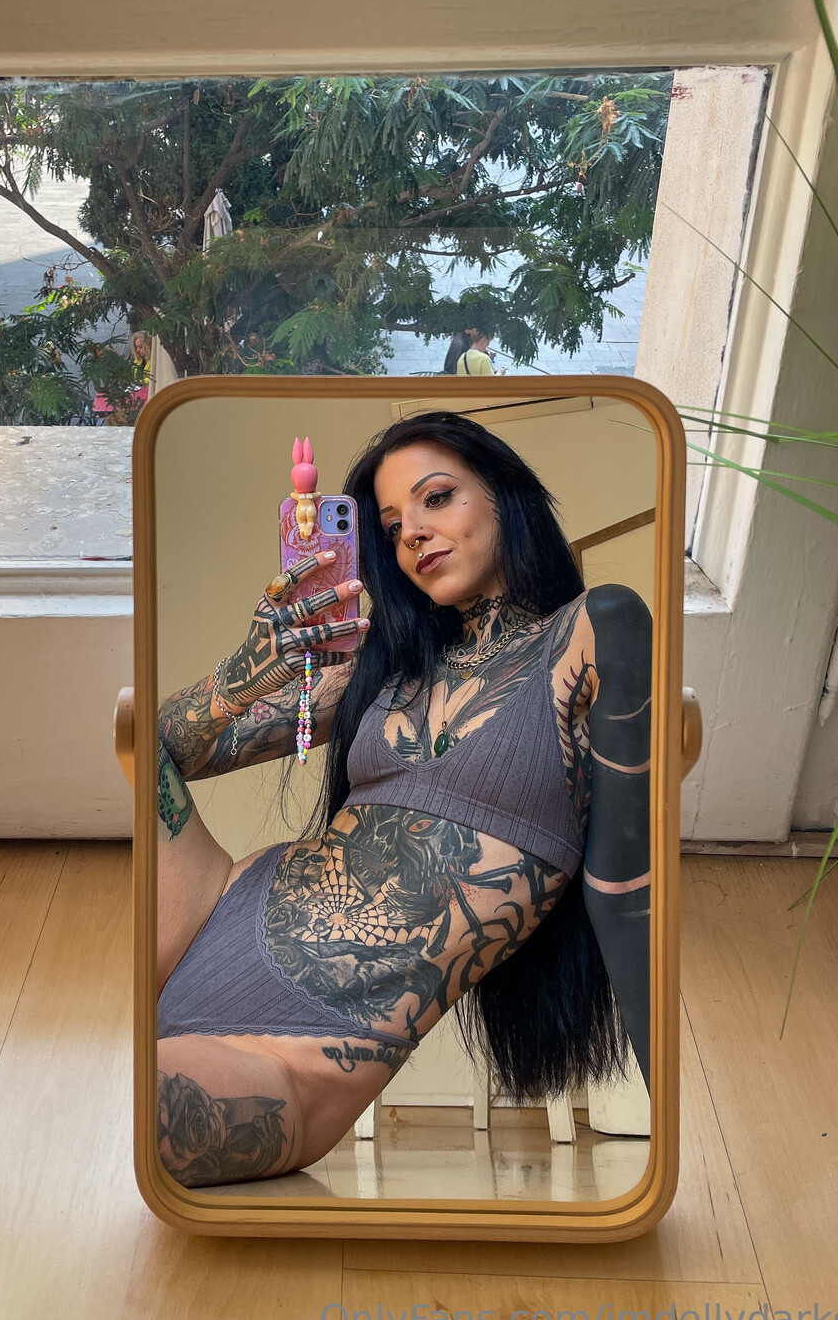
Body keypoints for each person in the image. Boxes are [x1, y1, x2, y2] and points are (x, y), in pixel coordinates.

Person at [155, 411, 651, 1188]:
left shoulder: (591, 632)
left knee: (106, 1119)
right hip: (203, 912)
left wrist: (683, 1122)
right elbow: (157, 749)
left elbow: (627, 896)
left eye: (437, 498)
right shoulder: (384, 668)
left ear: (507, 498)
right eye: (390, 527)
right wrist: (245, 674)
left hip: (289, 1058)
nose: (413, 533)